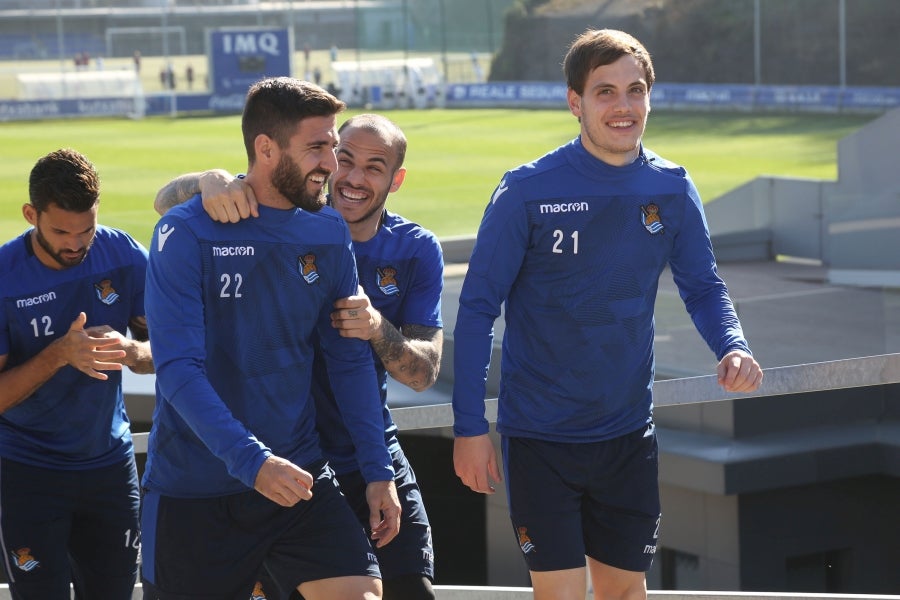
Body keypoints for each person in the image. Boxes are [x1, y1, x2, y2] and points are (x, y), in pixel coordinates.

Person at [451, 29, 764, 600]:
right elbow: (476, 311)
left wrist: (732, 344)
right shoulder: (526, 190)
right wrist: (470, 427)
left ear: (650, 97)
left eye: (635, 90)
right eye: (605, 92)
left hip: (628, 436)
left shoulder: (672, 188)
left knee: (625, 593)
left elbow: (703, 286)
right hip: (540, 440)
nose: (623, 106)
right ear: (575, 102)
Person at [154, 113, 443, 600]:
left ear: (396, 180)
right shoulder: (283, 217)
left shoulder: (415, 249)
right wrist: (209, 180)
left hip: (366, 450)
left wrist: (376, 328)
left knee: (411, 592)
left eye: (374, 168)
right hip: (287, 458)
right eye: (343, 158)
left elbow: (423, 373)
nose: (352, 177)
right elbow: (167, 202)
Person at [0, 148, 153, 598]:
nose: (75, 244)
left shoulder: (122, 254)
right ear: (31, 215)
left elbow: (173, 350)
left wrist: (131, 351)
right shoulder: (5, 277)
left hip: (109, 466)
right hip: (28, 470)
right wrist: (58, 354)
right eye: (61, 232)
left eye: (86, 230)